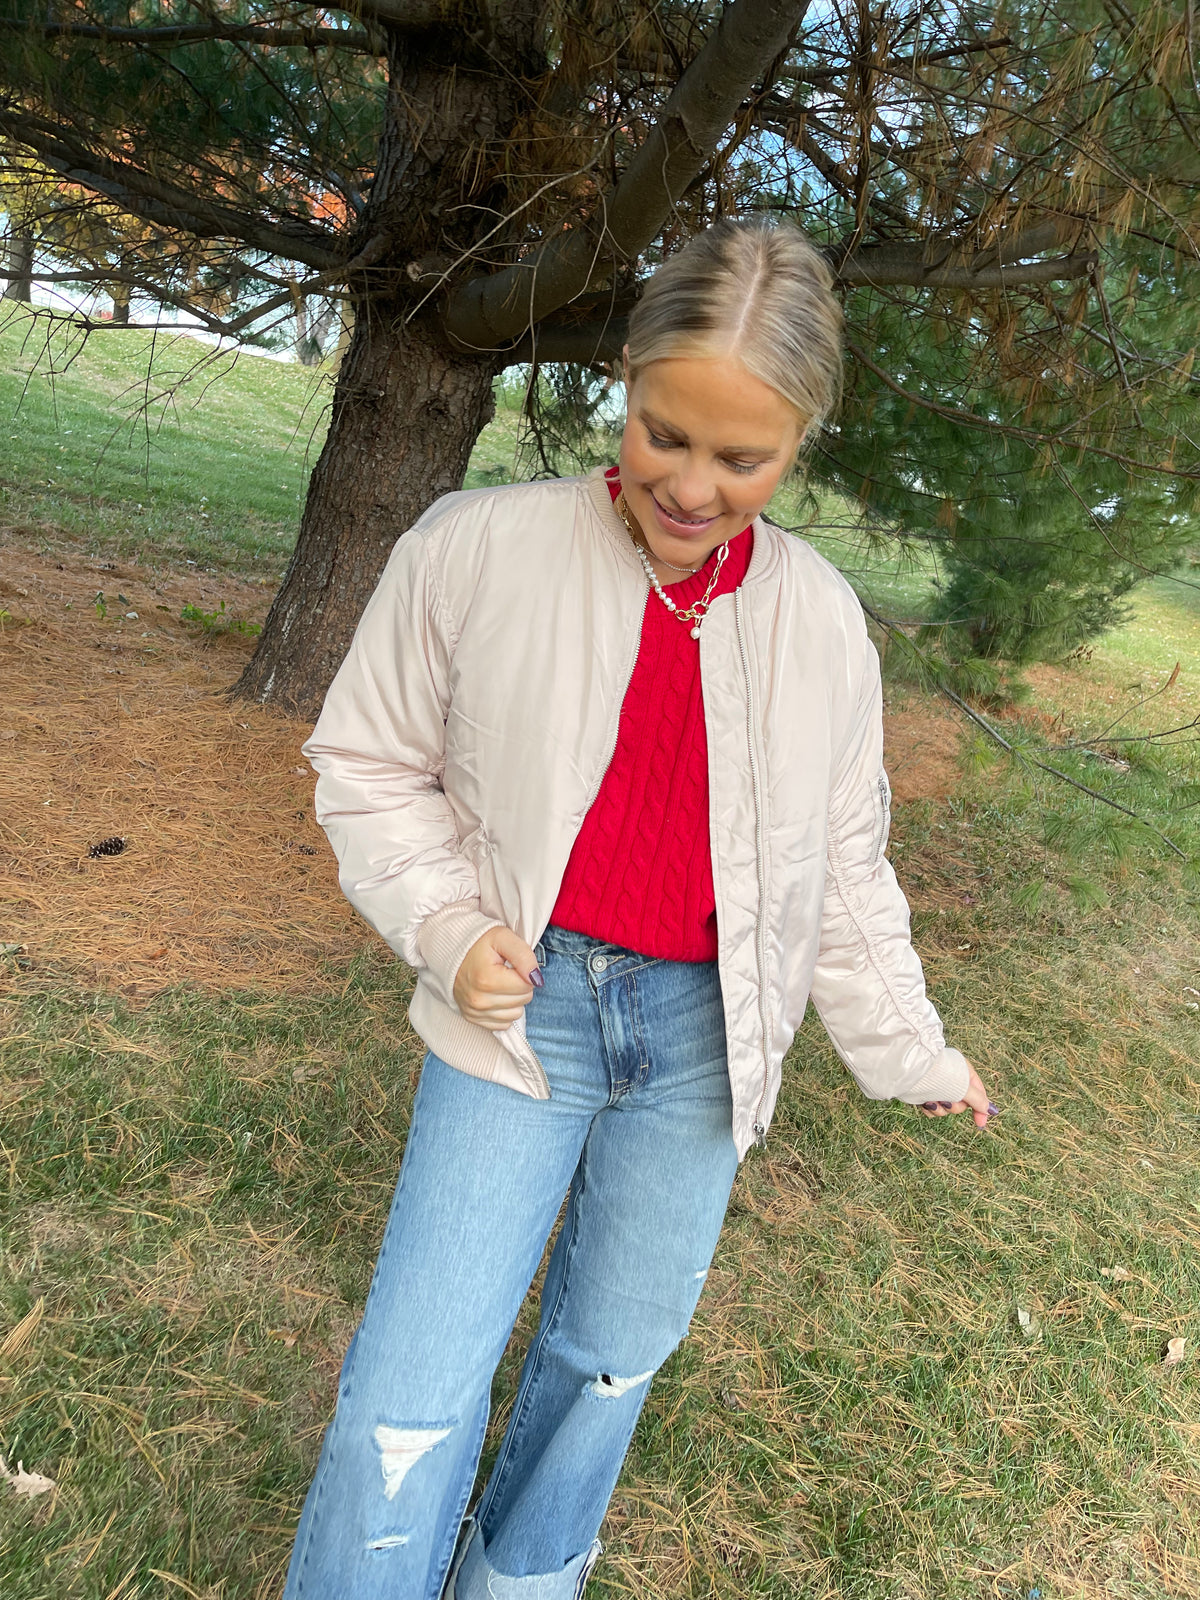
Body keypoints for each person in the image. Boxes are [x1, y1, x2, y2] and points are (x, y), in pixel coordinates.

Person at [285, 217, 997, 1600]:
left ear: (802, 441)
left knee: (607, 1363)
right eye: (667, 434)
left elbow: (843, 866)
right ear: (625, 378)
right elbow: (364, 763)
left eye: (745, 458)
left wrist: (911, 1047)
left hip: (704, 1039)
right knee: (412, 1386)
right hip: (519, 1009)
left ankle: (521, 1585)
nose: (691, 486)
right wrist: (446, 925)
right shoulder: (471, 547)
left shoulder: (824, 623)